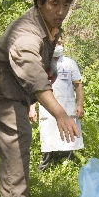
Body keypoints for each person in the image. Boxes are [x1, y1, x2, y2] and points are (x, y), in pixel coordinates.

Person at [0, 0, 79, 197]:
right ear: (39, 3)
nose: (61, 11)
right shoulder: (26, 33)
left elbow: (45, 61)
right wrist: (60, 114)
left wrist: (51, 68)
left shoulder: (50, 26)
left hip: (17, 86)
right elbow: (33, 73)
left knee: (20, 135)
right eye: (54, 4)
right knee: (16, 135)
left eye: (65, 5)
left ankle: (15, 196)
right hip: (1, 84)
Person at [35, 35, 84, 170]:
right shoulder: (41, 63)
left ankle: (67, 167)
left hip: (67, 107)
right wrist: (32, 108)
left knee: (68, 139)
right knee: (48, 137)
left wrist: (80, 105)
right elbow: (34, 87)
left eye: (61, 43)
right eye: (56, 43)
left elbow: (78, 86)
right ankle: (45, 167)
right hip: (47, 108)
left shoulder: (70, 63)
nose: (59, 45)